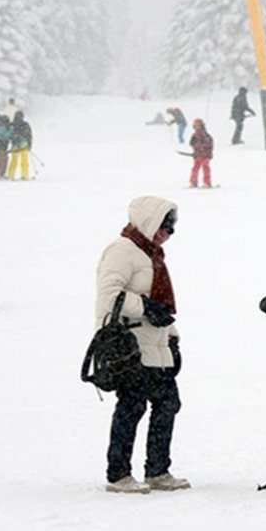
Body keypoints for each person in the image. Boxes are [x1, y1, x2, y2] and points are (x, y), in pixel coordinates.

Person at [95, 196, 189, 494]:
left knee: (168, 404)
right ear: (149, 222)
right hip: (128, 345)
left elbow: (160, 304)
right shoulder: (122, 250)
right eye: (164, 227)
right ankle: (118, 475)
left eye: (172, 229)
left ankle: (158, 471)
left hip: (155, 345)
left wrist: (171, 333)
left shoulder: (151, 254)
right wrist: (146, 308)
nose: (167, 234)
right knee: (131, 407)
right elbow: (109, 295)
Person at [6, 111, 33, 181]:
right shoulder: (25, 124)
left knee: (14, 162)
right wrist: (30, 144)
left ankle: (11, 175)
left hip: (15, 146)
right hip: (24, 145)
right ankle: (25, 175)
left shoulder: (12, 124)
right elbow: (29, 135)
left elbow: (9, 135)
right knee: (25, 162)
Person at [188, 119, 213, 188]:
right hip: (197, 155)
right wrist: (196, 148)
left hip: (205, 155)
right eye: (195, 125)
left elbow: (208, 144)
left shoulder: (205, 134)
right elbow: (191, 143)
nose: (197, 127)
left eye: (198, 125)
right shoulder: (195, 134)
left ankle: (207, 182)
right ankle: (193, 182)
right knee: (195, 168)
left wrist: (202, 149)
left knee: (205, 168)